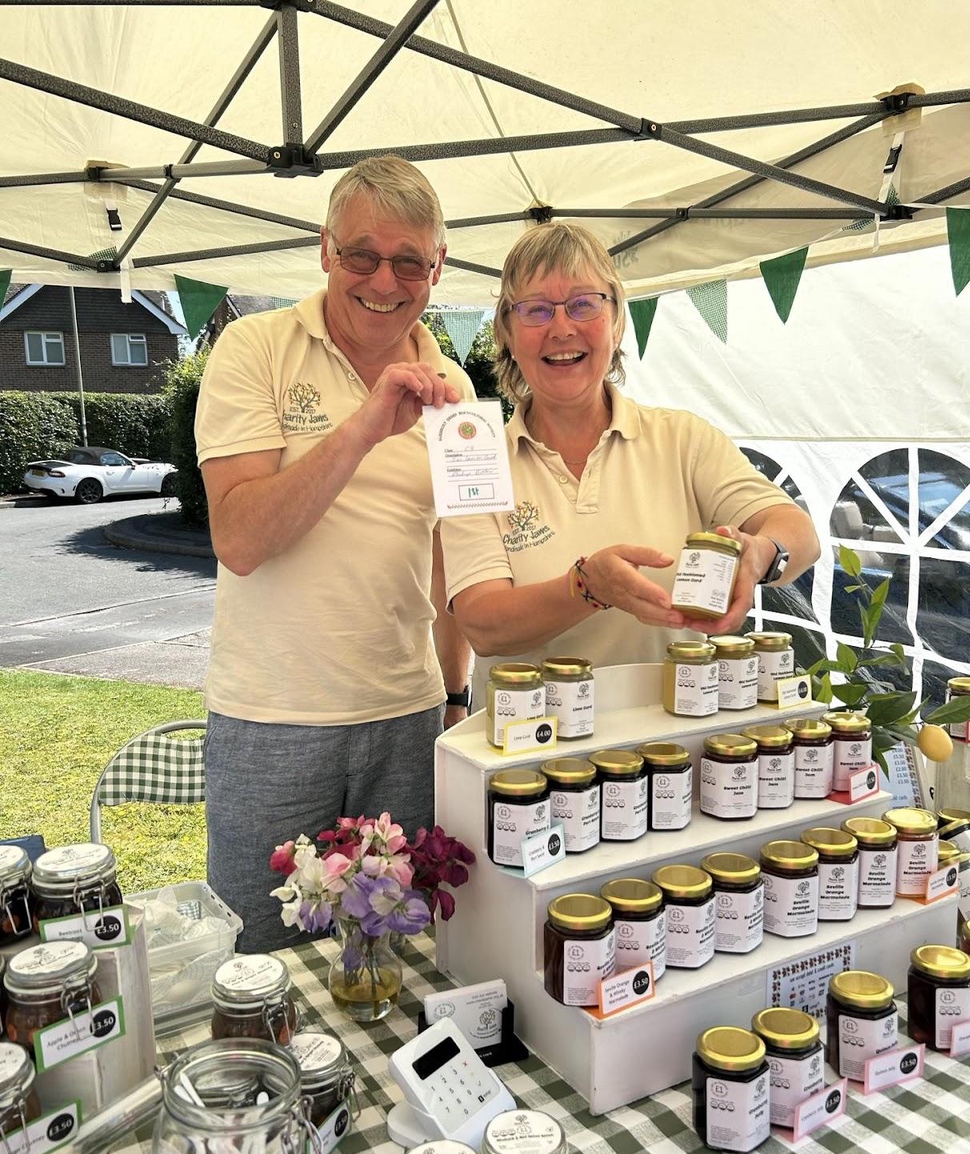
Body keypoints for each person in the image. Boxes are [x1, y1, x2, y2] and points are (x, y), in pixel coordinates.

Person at [195, 156, 473, 953]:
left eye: (410, 261)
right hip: (272, 719)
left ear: (437, 267)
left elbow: (450, 560)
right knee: (261, 955)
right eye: (362, 255)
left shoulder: (452, 386)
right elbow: (240, 539)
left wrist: (455, 697)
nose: (384, 280)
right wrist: (362, 426)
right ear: (325, 249)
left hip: (407, 716)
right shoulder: (254, 349)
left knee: (400, 952)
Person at [440, 222, 819, 701]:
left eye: (584, 304)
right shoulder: (474, 456)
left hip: (667, 756)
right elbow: (483, 624)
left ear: (617, 321)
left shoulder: (682, 439)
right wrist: (586, 587)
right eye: (536, 310)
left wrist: (765, 553)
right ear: (507, 334)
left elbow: (797, 530)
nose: (562, 328)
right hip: (523, 757)